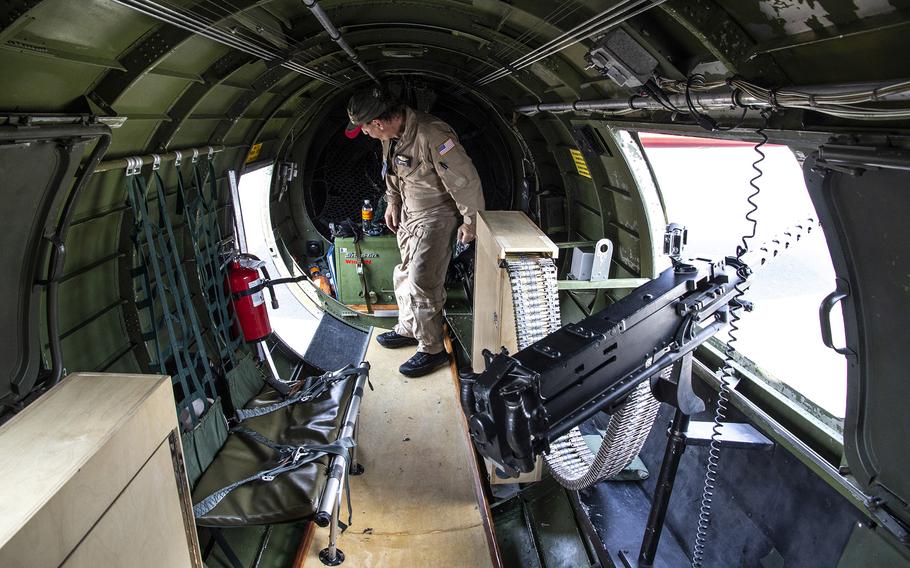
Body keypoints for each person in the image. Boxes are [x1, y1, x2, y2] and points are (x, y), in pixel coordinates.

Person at [346, 89, 484, 377]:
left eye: (366, 129)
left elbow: (464, 180)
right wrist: (392, 202)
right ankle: (410, 327)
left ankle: (432, 349)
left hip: (437, 217)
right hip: (410, 213)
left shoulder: (432, 135)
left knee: (423, 281)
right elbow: (392, 171)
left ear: (379, 123)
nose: (367, 135)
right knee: (405, 273)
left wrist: (471, 222)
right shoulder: (392, 137)